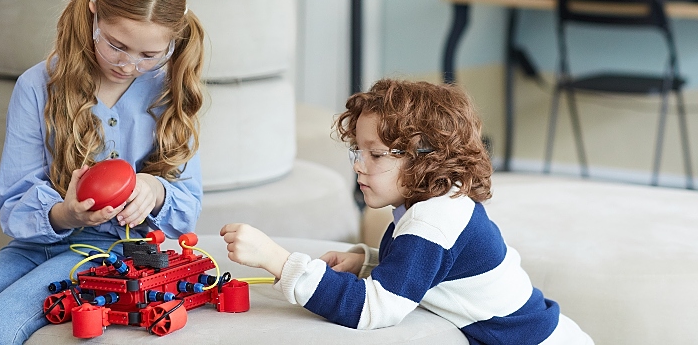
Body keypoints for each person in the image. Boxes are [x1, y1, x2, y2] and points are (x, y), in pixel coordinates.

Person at [0, 0, 205, 343]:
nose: (129, 64)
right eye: (116, 45)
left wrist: (154, 188)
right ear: (93, 13)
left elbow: (188, 207)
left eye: (149, 55)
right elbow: (14, 203)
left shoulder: (170, 94)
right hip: (33, 245)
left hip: (109, 251)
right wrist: (66, 214)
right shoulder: (36, 87)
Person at [220, 79, 594, 344]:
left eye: (376, 155)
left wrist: (279, 260)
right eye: (358, 151)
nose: (358, 165)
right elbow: (427, 270)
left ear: (426, 160)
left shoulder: (432, 220)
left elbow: (374, 309)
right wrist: (365, 262)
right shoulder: (430, 204)